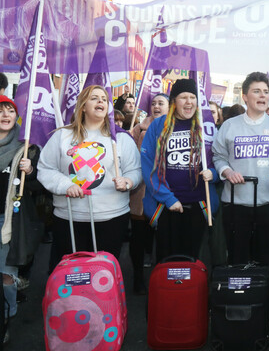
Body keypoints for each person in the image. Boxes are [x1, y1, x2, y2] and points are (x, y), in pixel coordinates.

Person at [212, 72, 269, 340]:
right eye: (256, 91)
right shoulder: (229, 126)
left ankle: (263, 319)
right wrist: (226, 171)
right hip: (236, 206)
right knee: (237, 263)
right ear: (245, 96)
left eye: (265, 91)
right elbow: (218, 156)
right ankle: (237, 317)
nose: (262, 96)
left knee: (265, 265)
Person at [38, 85, 142, 263]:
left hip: (111, 218)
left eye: (104, 99)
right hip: (69, 218)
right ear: (83, 106)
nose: (100, 101)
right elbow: (46, 168)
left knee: (103, 272)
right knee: (71, 272)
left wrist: (128, 181)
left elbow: (135, 170)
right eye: (94, 98)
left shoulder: (121, 138)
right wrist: (65, 185)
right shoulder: (62, 136)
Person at [141, 79, 219, 263]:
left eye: (193, 97)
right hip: (166, 205)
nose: (189, 102)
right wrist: (168, 198)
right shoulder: (158, 125)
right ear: (174, 101)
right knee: (167, 261)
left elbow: (219, 158)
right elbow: (148, 164)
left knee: (194, 261)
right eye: (184, 97)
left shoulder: (205, 127)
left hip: (199, 204)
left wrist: (214, 174)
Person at [0, 96, 42, 343]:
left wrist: (31, 170)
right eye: (0, 111)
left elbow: (39, 188)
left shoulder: (26, 148)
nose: (5, 115)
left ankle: (7, 318)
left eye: (10, 111)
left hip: (9, 222)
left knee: (6, 276)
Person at [129, 93, 169, 294]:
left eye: (161, 103)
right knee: (138, 235)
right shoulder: (139, 128)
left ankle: (161, 278)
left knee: (163, 237)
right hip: (141, 190)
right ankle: (138, 277)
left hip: (164, 190)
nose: (156, 106)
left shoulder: (175, 128)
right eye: (153, 103)